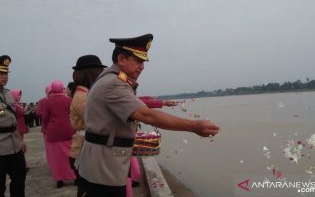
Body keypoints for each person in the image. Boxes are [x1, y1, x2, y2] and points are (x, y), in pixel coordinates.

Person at [75, 34, 220, 197]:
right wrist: (195, 126)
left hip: (98, 161)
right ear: (121, 59)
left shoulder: (111, 78)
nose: (142, 66)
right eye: (138, 61)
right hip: (104, 167)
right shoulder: (113, 83)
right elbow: (147, 115)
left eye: (143, 62)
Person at [69, 55, 106, 195]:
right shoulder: (83, 97)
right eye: (99, 72)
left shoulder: (86, 94)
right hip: (83, 151)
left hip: (85, 150)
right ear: (92, 73)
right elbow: (101, 120)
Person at [0, 55, 27, 197]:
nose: (5, 77)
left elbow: (14, 119)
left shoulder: (8, 93)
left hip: (14, 146)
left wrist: (20, 140)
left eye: (6, 73)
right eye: (1, 73)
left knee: (19, 179)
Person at [42, 80, 76, 188]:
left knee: (56, 158)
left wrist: (47, 126)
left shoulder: (48, 101)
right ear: (62, 88)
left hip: (53, 132)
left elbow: (45, 118)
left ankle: (59, 179)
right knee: (70, 155)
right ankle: (74, 176)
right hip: (68, 130)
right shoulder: (69, 100)